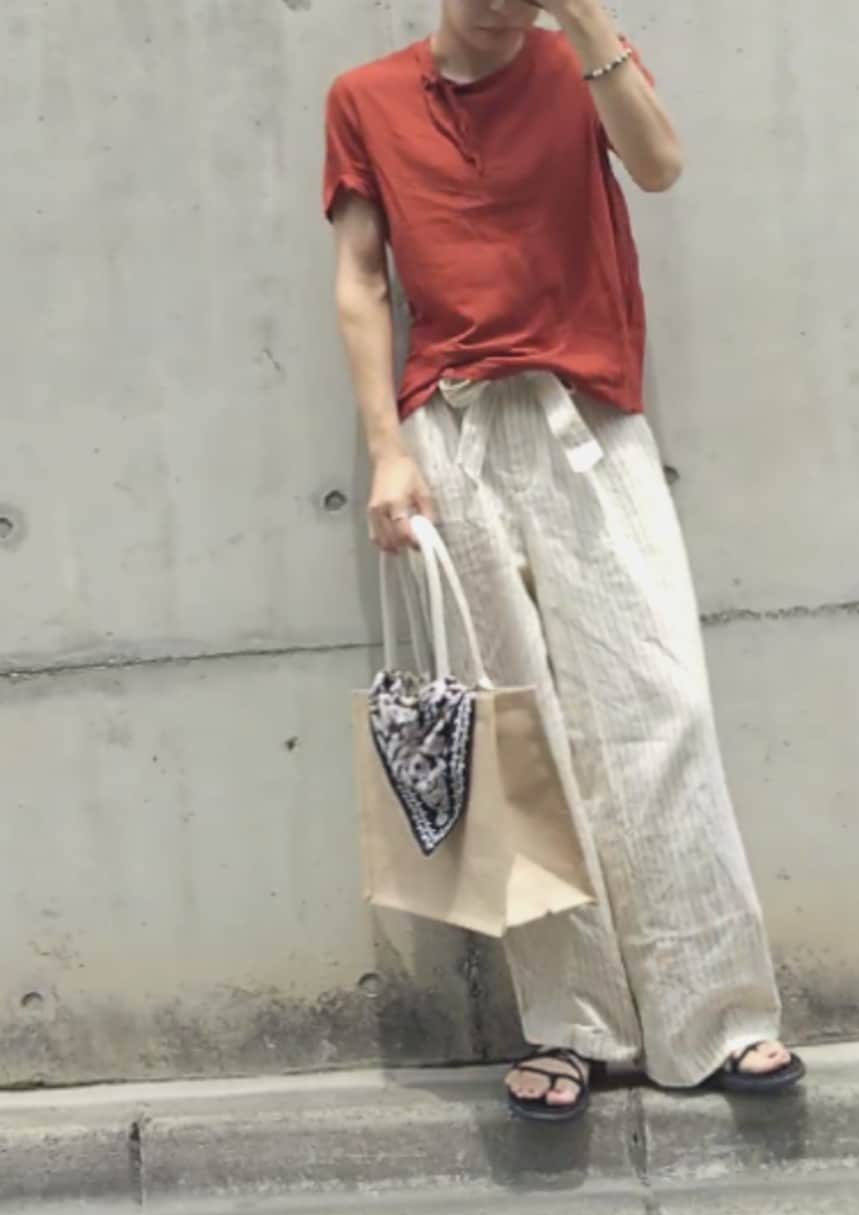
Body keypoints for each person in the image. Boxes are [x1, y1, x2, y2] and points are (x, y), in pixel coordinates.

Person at [325, 0, 805, 1123]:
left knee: (660, 704)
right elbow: (360, 279)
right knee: (516, 733)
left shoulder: (578, 66)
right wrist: (387, 451)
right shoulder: (367, 97)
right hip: (450, 431)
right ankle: (573, 1025)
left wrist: (588, 24)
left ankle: (716, 1015)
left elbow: (661, 164)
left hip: (588, 421)